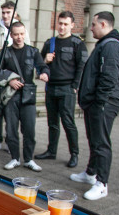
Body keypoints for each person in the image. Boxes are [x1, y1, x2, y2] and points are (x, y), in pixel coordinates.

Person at [71, 11, 119, 200]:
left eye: (93, 24)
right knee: (95, 139)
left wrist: (99, 102)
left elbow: (109, 78)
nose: (91, 28)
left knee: (101, 143)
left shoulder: (111, 46)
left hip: (103, 104)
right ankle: (90, 173)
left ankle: (102, 184)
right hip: (98, 103)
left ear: (103, 24)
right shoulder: (106, 44)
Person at [0, 21, 49, 172]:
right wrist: (9, 80)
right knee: (11, 130)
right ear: (11, 35)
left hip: (28, 95)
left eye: (22, 34)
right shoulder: (4, 53)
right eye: (16, 34)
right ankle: (15, 158)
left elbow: (42, 66)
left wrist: (44, 73)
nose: (19, 37)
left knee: (29, 130)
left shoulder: (33, 51)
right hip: (10, 97)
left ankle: (29, 159)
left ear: (25, 33)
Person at [35, 11, 87, 168]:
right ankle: (51, 151)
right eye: (60, 23)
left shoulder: (77, 44)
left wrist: (75, 87)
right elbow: (38, 64)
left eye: (65, 24)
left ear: (72, 25)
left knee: (68, 122)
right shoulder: (50, 43)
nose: (62, 27)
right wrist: (45, 60)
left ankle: (74, 154)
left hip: (67, 88)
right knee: (52, 122)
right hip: (51, 87)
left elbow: (81, 66)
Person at [0, 1, 30, 154]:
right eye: (3, 12)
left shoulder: (22, 29)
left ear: (14, 13)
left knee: (13, 114)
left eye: (8, 12)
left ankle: (11, 141)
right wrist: (0, 52)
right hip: (0, 76)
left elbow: (27, 51)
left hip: (16, 80)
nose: (5, 15)